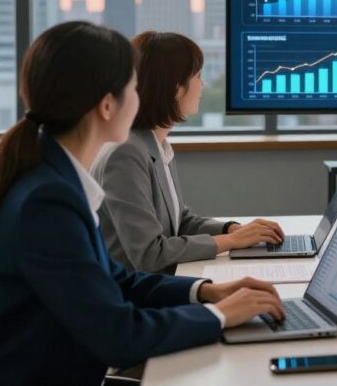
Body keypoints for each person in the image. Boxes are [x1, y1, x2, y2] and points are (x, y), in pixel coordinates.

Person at [0, 22, 285, 386]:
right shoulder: (46, 200)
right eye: (133, 87)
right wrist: (220, 316)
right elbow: (119, 336)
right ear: (108, 105)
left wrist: (205, 291)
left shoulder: (52, 177)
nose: (140, 97)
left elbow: (116, 278)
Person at [91, 31, 283, 273]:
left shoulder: (155, 145)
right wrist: (231, 242)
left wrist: (232, 230)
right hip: (137, 298)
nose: (202, 84)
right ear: (175, 89)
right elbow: (150, 253)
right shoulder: (125, 154)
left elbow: (179, 221)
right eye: (198, 76)